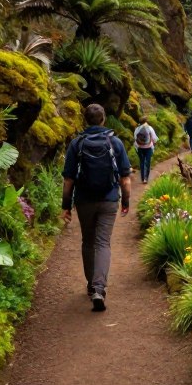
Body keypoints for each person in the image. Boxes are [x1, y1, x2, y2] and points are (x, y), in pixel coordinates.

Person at [61, 104, 131, 312]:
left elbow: (68, 179)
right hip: (109, 200)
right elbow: (125, 178)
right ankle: (100, 288)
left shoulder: (76, 143)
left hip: (84, 200)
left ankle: (91, 286)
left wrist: (66, 206)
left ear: (85, 120)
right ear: (103, 119)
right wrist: (126, 201)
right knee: (103, 243)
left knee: (88, 241)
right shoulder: (115, 142)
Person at [133, 115, 159, 183]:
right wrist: (154, 144)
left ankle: (142, 178)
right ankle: (146, 179)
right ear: (146, 121)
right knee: (147, 163)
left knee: (142, 162)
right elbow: (154, 139)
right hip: (148, 148)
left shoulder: (137, 129)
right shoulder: (150, 128)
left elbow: (135, 138)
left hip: (139, 148)